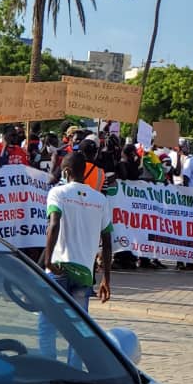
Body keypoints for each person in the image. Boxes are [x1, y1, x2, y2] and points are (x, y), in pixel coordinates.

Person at [38, 152, 112, 366]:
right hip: (84, 273)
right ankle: (75, 371)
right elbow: (107, 240)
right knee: (80, 327)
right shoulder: (100, 199)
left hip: (59, 268)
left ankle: (47, 369)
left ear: (66, 172)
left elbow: (54, 224)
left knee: (48, 323)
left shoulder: (57, 193)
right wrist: (107, 279)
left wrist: (48, 261)